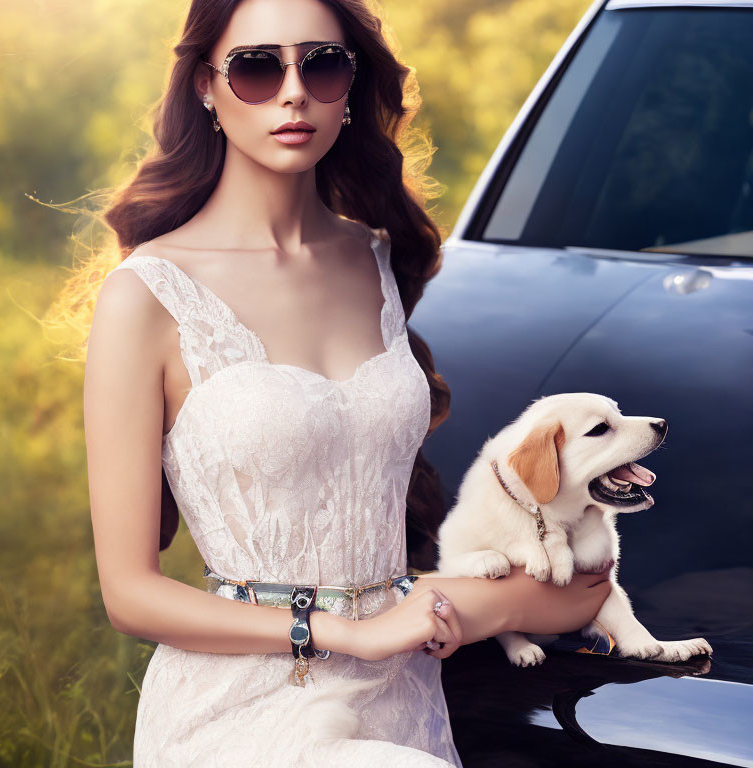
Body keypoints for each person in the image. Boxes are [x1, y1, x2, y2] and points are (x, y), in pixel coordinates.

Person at [83, 0, 613, 765]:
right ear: (207, 85)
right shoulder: (146, 295)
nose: (294, 92)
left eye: (321, 65)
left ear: (349, 87)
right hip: (243, 712)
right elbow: (129, 593)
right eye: (258, 68)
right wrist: (343, 632)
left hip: (403, 699)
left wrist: (487, 602)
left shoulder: (374, 259)